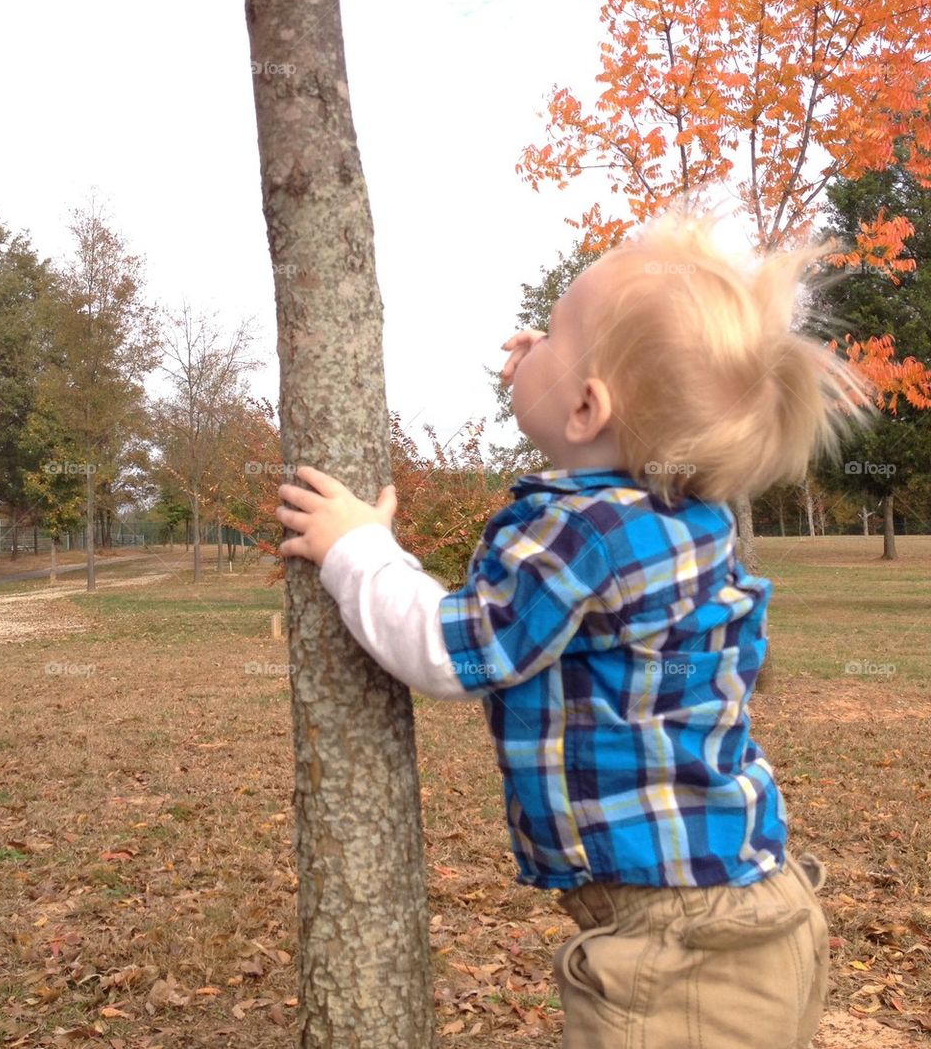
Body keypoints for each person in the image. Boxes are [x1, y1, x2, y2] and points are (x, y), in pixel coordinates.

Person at [274, 211, 871, 1048]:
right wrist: (546, 373)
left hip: (687, 958)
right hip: (756, 916)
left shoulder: (583, 533)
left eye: (549, 334)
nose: (524, 341)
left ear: (588, 406)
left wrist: (357, 550)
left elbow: (450, 649)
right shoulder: (682, 521)